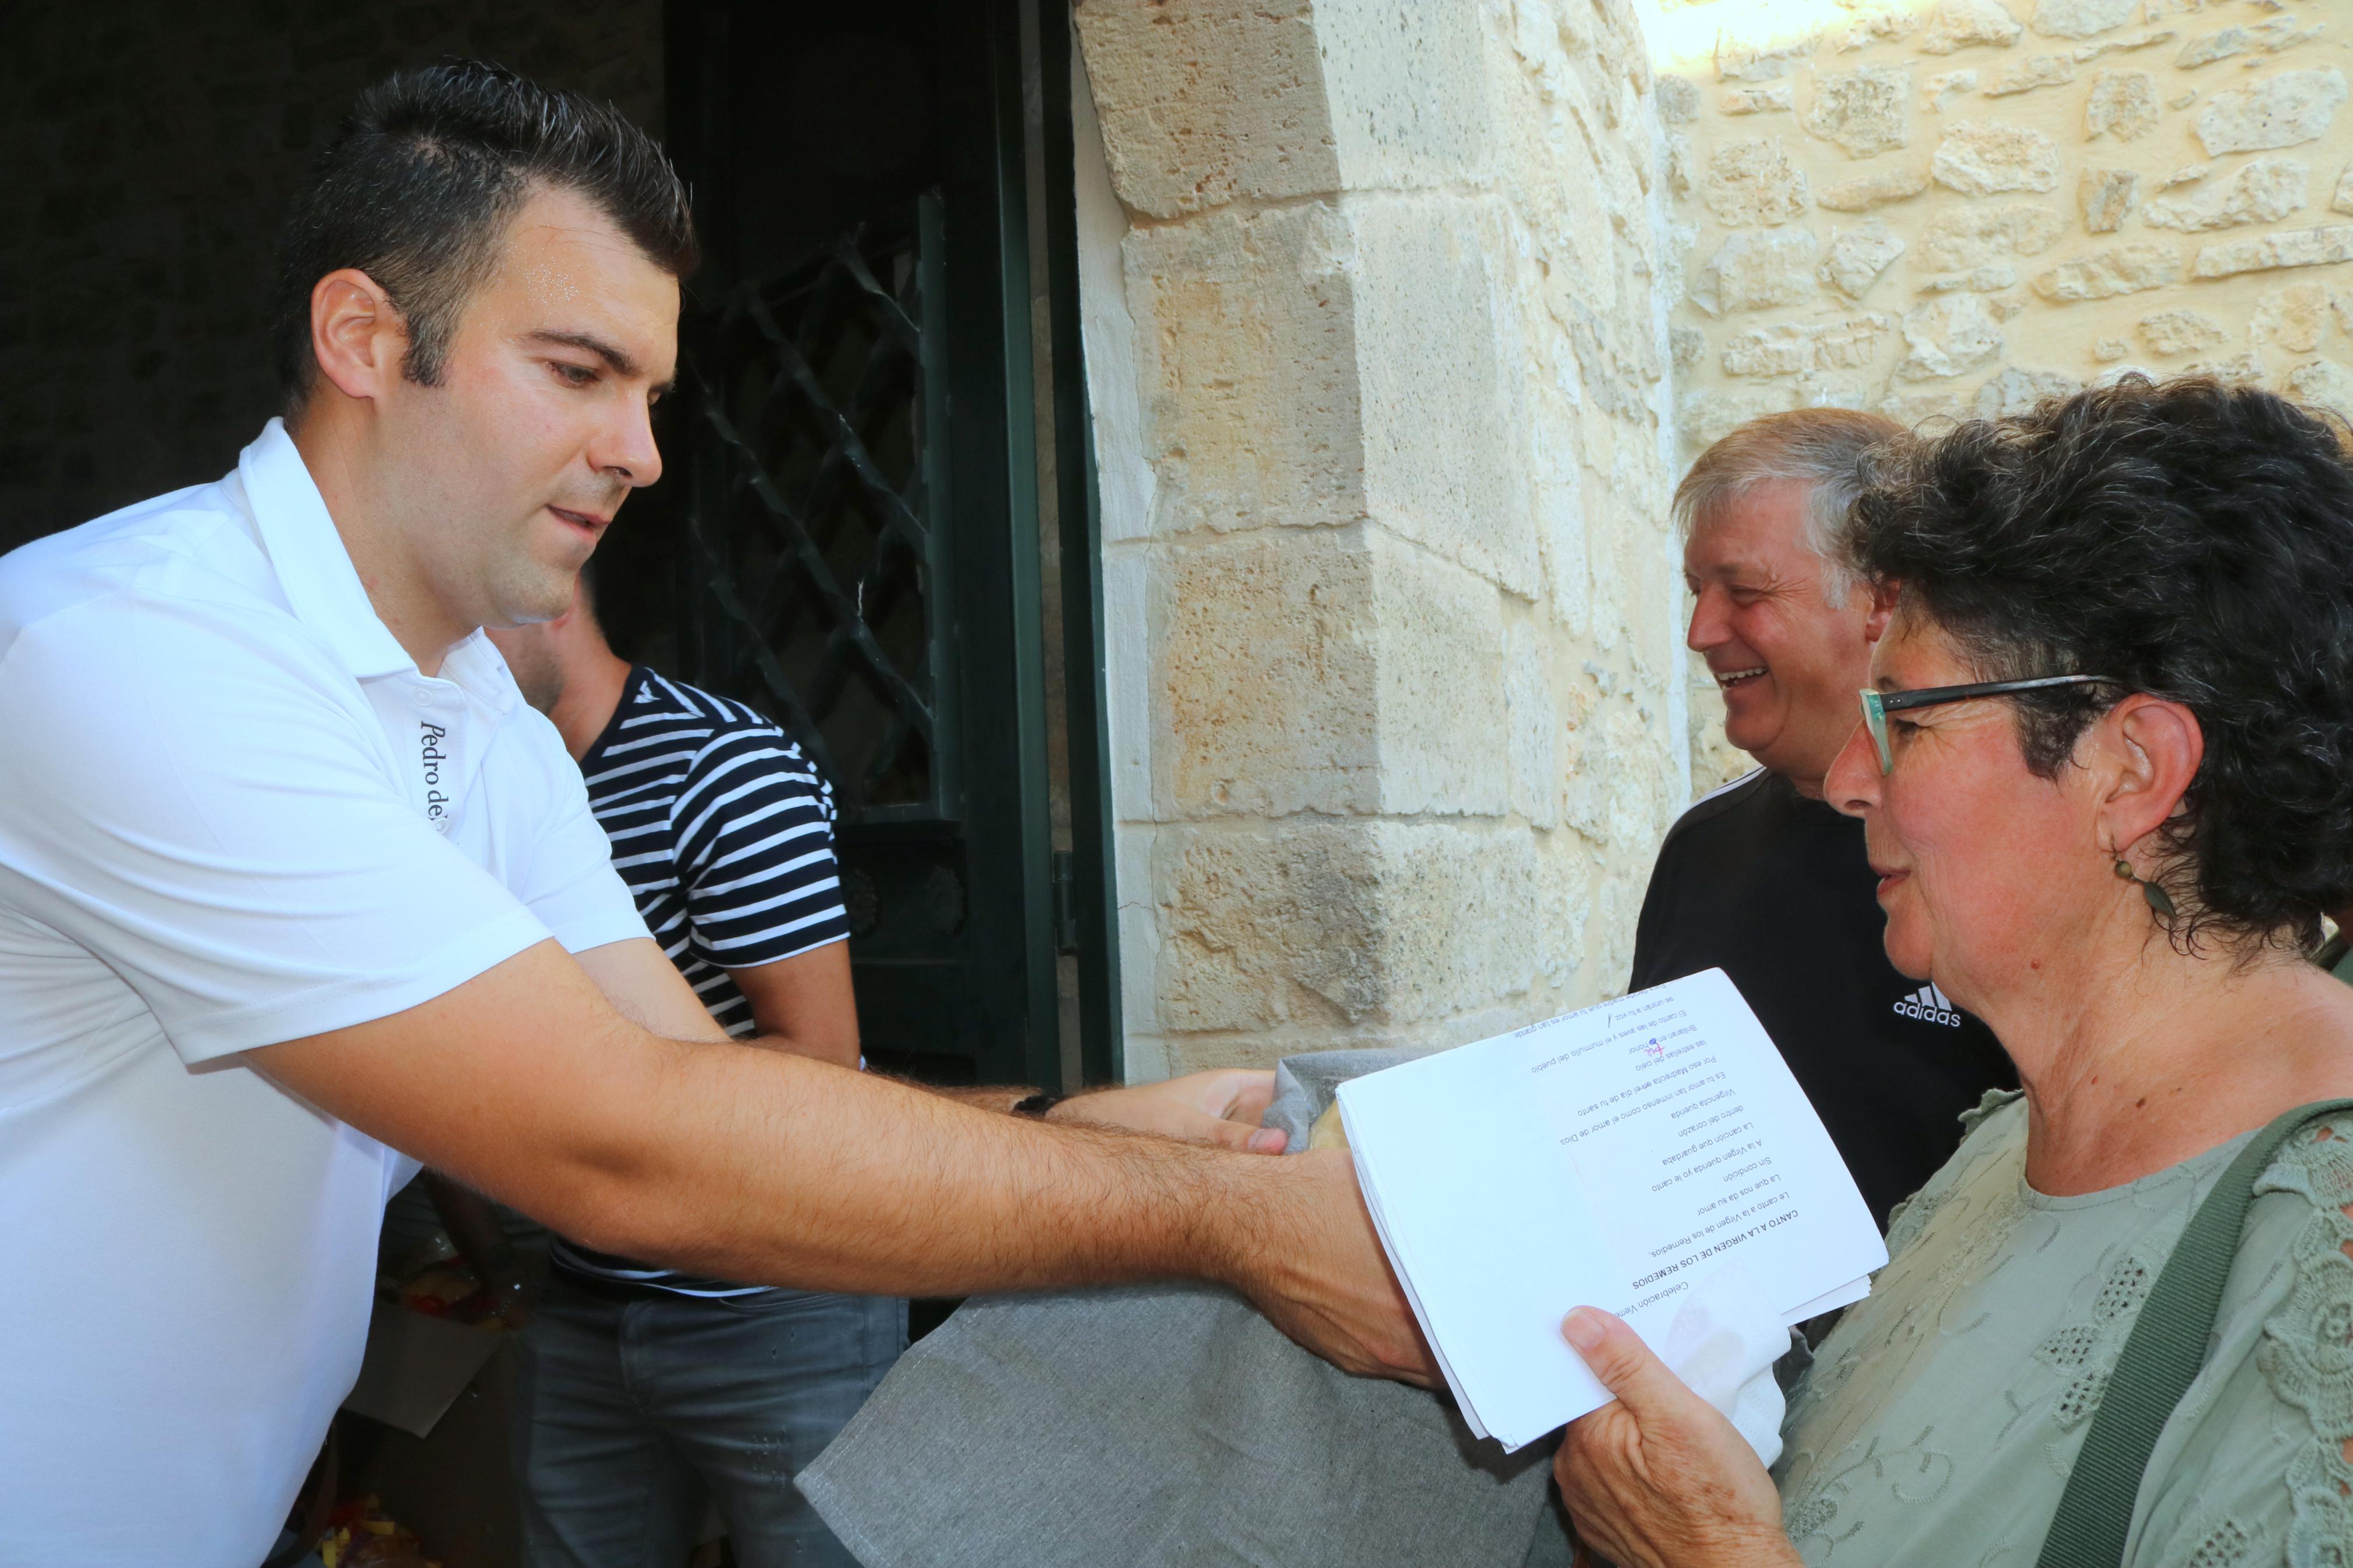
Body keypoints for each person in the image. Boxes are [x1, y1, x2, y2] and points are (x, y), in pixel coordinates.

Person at [0, 64, 1426, 1567]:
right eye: (577, 372)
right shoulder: (129, 651)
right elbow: (620, 1154)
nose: (643, 452)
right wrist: (1222, 1227)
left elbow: (685, 1077)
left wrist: (1092, 1126)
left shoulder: (482, 718)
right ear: (364, 339)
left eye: (651, 394)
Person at [1549, 377, 2353, 1567]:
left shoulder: (2321, 1253)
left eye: (1910, 722)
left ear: (2132, 770)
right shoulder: (1998, 1147)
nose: (1850, 784)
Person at [480, 575, 891, 1566]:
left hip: (779, 1304)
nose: (426, 660)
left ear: (547, 598)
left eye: (454, 627)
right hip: (585, 1300)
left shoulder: (721, 769)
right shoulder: (482, 784)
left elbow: (820, 1070)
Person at [1637, 410, 2016, 1226]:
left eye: (1743, 592)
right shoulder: (1699, 849)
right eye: (1695, 592)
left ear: (1884, 602)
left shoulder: (2008, 853)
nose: (1701, 632)